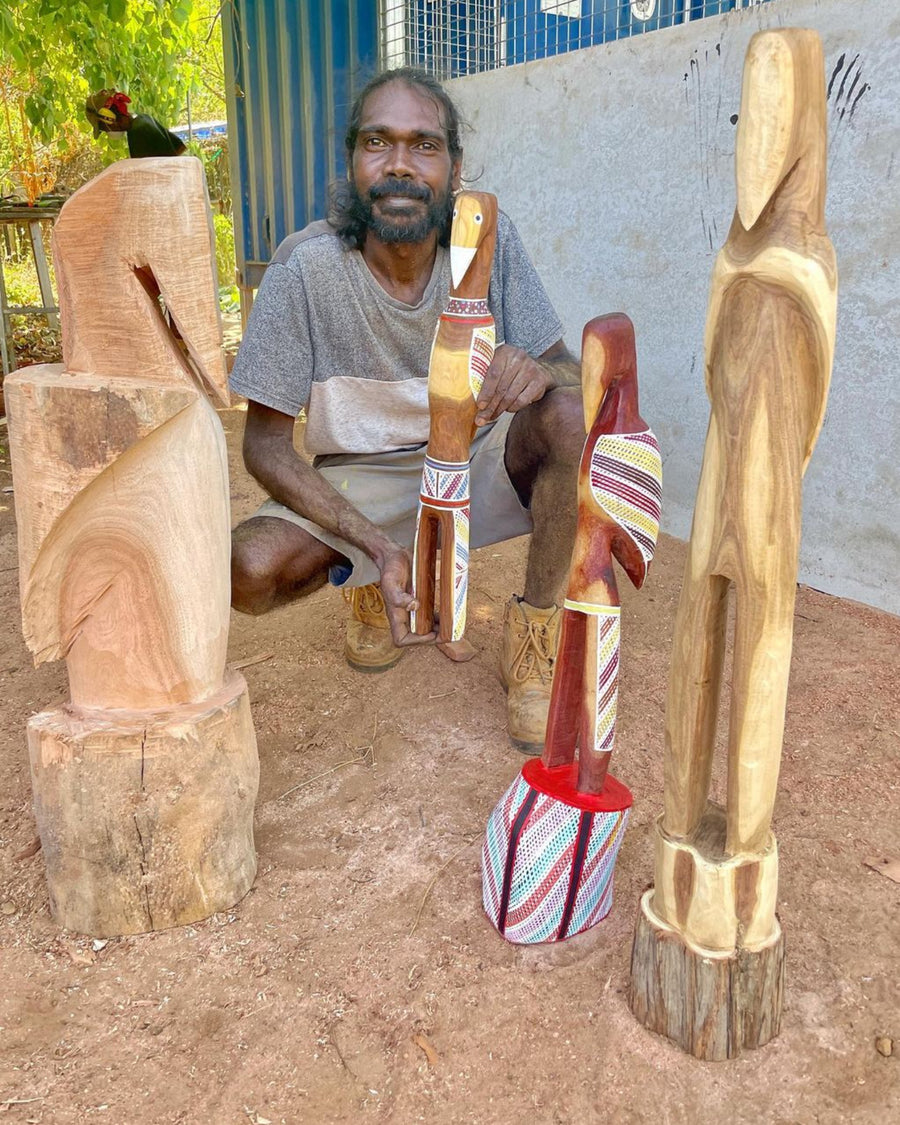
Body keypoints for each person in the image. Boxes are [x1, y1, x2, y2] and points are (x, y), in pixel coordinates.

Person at [229, 68, 585, 754]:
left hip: (475, 463)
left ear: (454, 168)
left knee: (569, 414)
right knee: (249, 568)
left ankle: (537, 630)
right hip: (358, 479)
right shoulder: (304, 269)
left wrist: (538, 370)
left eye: (423, 146)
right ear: (352, 160)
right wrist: (377, 545)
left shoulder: (485, 243)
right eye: (377, 142)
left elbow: (567, 367)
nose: (399, 165)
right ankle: (370, 576)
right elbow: (264, 447)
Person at [85, 90, 186, 158]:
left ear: (109, 118)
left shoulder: (137, 131)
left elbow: (142, 177)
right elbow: (179, 148)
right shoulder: (144, 119)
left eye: (104, 128)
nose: (107, 131)